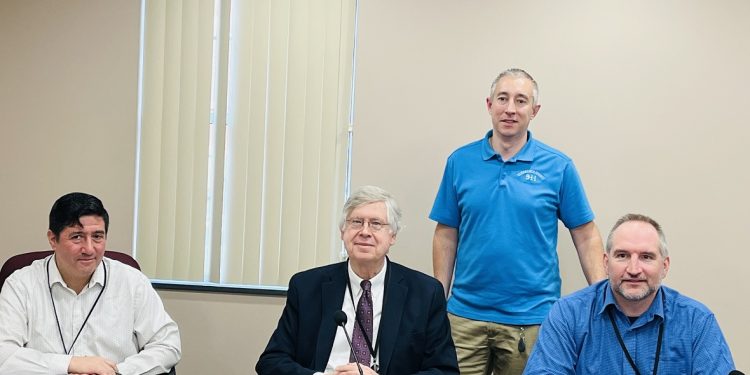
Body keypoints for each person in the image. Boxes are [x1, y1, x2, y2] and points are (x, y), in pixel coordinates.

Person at [430, 68, 606, 374]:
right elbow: (446, 232)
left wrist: (604, 297)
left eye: (521, 101)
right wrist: (436, 301)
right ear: (489, 105)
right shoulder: (460, 162)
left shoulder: (558, 166)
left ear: (534, 111)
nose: (510, 109)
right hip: (464, 318)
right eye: (503, 98)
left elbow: (586, 234)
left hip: (532, 319)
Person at [256, 186, 459, 375]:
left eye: (376, 224)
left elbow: (444, 371)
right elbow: (271, 361)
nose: (364, 232)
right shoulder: (306, 286)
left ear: (393, 236)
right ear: (342, 232)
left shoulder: (425, 292)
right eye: (356, 222)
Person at [524, 213, 736, 374]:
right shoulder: (568, 314)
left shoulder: (696, 321)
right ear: (606, 263)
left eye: (646, 257)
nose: (634, 269)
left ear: (665, 266)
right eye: (623, 255)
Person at [0, 192, 181, 375]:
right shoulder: (20, 285)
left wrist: (116, 372)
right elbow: (4, 355)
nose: (89, 249)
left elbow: (167, 344)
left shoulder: (132, 282)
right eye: (77, 237)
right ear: (53, 239)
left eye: (97, 236)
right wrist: (70, 364)